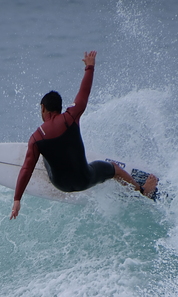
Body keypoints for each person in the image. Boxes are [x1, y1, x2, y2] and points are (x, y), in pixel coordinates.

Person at [9, 50, 158, 219]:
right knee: (115, 169)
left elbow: (27, 168)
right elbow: (84, 93)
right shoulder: (71, 117)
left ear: (43, 108)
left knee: (41, 154)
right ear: (59, 107)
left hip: (60, 184)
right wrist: (90, 67)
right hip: (85, 179)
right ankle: (142, 190)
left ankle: (51, 165)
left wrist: (17, 200)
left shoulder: (36, 138)